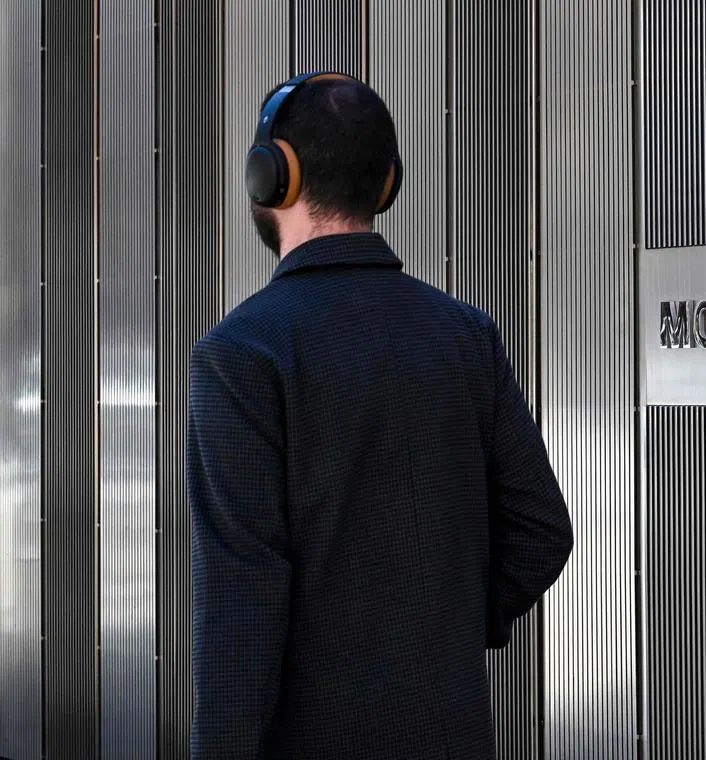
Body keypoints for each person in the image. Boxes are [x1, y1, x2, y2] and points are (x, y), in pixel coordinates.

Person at [185, 71, 574, 759]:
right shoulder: (466, 335)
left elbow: (241, 606)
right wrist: (445, 626)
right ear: (386, 182)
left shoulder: (243, 353)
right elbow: (541, 530)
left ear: (271, 176)